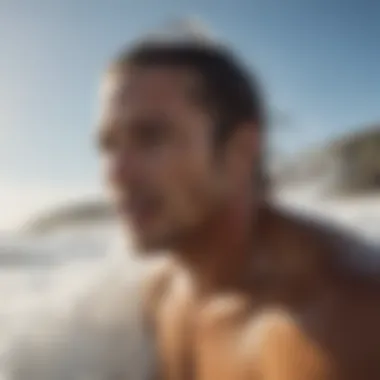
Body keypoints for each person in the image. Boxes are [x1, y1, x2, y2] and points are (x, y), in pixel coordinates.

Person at [97, 36, 380, 380]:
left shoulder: (338, 330)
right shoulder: (160, 293)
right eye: (109, 146)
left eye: (151, 136)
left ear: (241, 149)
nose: (115, 174)